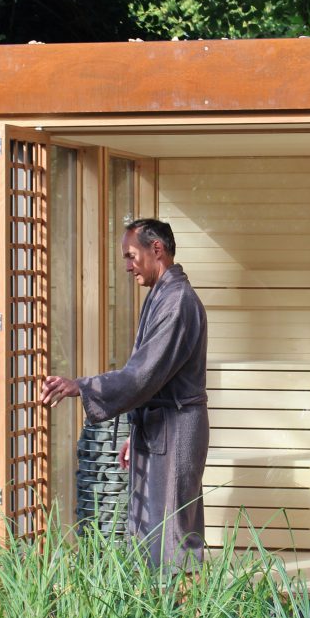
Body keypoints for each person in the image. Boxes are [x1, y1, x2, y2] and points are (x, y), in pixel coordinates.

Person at [41, 218, 209, 569]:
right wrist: (136, 429)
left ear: (157, 250)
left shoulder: (177, 301)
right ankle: (158, 614)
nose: (127, 266)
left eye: (131, 256)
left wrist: (81, 386)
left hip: (176, 428)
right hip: (160, 424)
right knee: (151, 525)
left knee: (173, 530)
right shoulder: (161, 296)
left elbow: (143, 373)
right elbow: (152, 375)